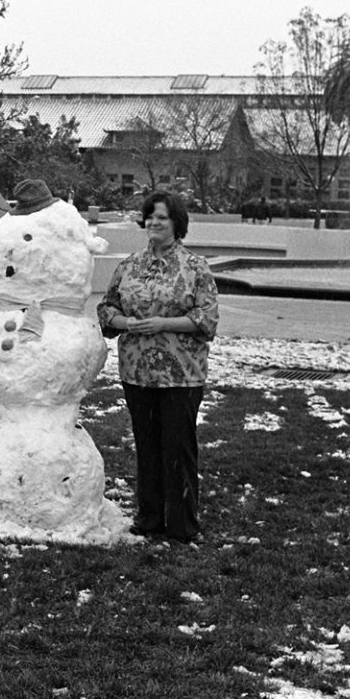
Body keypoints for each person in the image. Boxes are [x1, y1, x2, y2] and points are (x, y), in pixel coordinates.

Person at [98, 190, 219, 544]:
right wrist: (126, 324)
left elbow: (206, 317)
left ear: (176, 222)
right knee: (147, 444)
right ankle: (149, 517)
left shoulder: (195, 267)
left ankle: (182, 524)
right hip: (137, 371)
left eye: (162, 217)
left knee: (178, 446)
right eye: (150, 216)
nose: (154, 222)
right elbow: (107, 309)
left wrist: (163, 324)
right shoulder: (130, 265)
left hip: (181, 373)